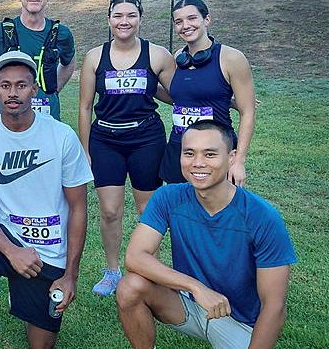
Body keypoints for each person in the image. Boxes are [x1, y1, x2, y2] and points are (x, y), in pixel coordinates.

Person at [0, 51, 93, 349]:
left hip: (48, 247)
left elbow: (79, 208)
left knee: (40, 345)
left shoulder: (61, 136)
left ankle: (26, 289)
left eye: (21, 85)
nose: (13, 93)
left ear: (34, 89)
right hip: (6, 234)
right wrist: (12, 251)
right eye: (5, 85)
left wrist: (70, 276)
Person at [116, 120, 297, 349]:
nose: (198, 163)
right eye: (189, 153)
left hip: (238, 321)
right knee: (129, 287)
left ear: (232, 157)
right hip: (190, 303)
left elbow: (275, 306)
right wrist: (196, 287)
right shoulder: (168, 197)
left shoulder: (261, 216)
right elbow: (135, 257)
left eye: (210, 154)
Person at [78, 0, 176, 297]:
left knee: (147, 210)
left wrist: (228, 98)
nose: (124, 21)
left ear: (140, 19)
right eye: (118, 15)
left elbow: (179, 95)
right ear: (108, 19)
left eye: (131, 15)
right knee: (109, 211)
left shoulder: (158, 55)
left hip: (146, 138)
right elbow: (84, 107)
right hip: (105, 139)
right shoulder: (95, 56)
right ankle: (112, 271)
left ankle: (152, 272)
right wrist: (84, 151)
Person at [159, 0, 256, 186]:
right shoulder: (179, 57)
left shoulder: (231, 58)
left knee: (216, 211)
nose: (185, 25)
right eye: (178, 22)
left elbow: (248, 112)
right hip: (180, 147)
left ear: (207, 20)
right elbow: (180, 97)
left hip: (215, 151)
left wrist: (239, 161)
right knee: (180, 210)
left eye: (192, 18)